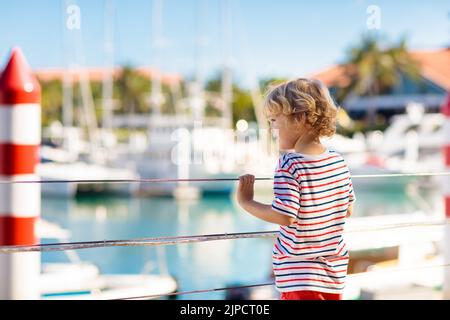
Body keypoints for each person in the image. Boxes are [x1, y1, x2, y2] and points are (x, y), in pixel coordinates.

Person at [236, 78, 356, 300]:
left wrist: (247, 202)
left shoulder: (290, 164)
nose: (271, 128)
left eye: (274, 120)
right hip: (333, 274)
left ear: (299, 118)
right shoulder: (339, 162)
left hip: (300, 276)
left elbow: (285, 216)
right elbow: (347, 210)